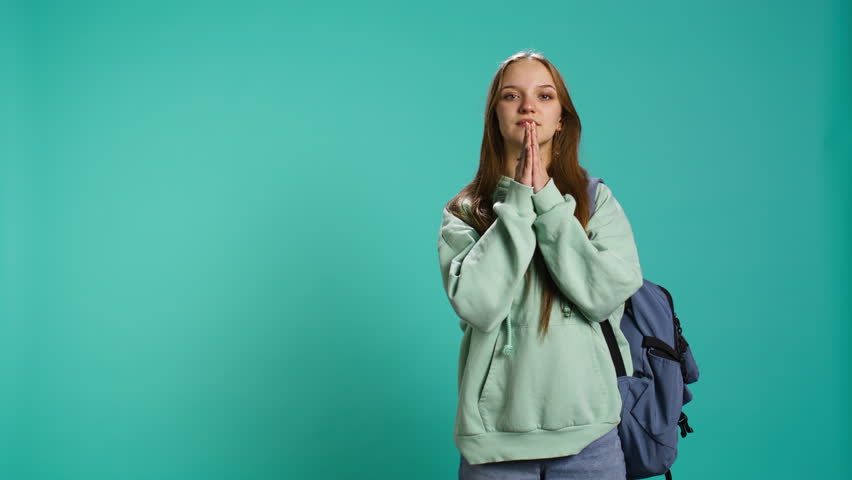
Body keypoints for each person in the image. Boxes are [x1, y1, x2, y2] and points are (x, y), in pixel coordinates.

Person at [436, 50, 644, 479]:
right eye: (512, 96)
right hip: (494, 448)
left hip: (591, 441)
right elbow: (478, 304)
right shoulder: (464, 212)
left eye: (544, 96)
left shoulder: (596, 200)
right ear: (495, 117)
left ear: (562, 118)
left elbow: (605, 295)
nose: (528, 106)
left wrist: (547, 203)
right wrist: (516, 201)